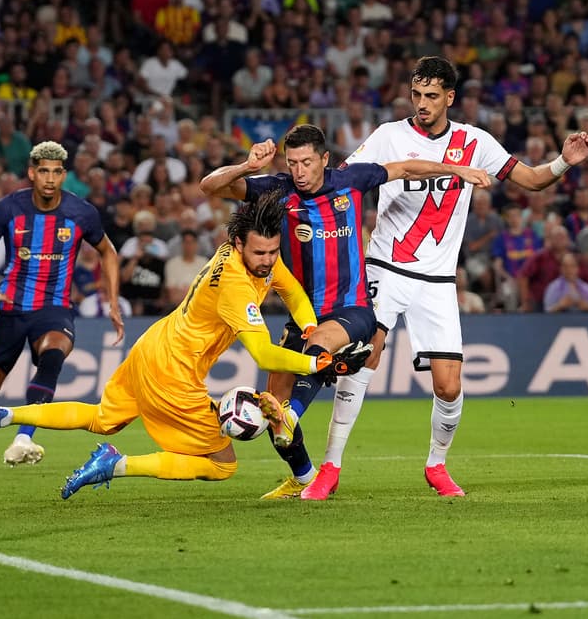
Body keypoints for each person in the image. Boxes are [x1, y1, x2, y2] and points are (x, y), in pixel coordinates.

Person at [0, 190, 369, 498]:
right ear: (239, 244)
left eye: (272, 252)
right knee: (222, 465)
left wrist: (312, 330)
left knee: (102, 417)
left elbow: (293, 291)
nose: (266, 259)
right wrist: (318, 365)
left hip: (154, 343)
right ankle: (116, 464)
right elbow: (262, 354)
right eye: (260, 253)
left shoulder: (250, 252)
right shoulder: (234, 287)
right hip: (173, 370)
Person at [313, 56, 588, 499]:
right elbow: (345, 181)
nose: (421, 104)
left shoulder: (475, 141)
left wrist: (564, 161)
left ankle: (436, 465)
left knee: (449, 384)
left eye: (430, 96)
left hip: (438, 280)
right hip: (384, 266)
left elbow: (533, 180)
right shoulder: (389, 137)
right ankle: (330, 466)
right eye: (415, 95)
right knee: (367, 354)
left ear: (450, 97)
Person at [199, 123, 493, 498]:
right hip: (302, 315)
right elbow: (209, 186)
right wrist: (246, 166)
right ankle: (303, 476)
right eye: (292, 163)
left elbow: (405, 168)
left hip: (352, 310)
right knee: (274, 412)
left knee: (312, 357)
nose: (299, 172)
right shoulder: (278, 190)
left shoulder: (351, 181)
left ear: (325, 159)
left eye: (306, 162)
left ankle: (297, 409)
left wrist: (456, 170)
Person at [0, 140, 126, 474]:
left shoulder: (82, 212)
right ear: (32, 173)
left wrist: (113, 303)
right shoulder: (10, 207)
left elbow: (109, 251)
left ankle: (24, 437)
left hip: (54, 306)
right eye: (43, 172)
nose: (50, 179)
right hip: (8, 305)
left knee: (53, 354)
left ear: (63, 175)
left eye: (56, 172)